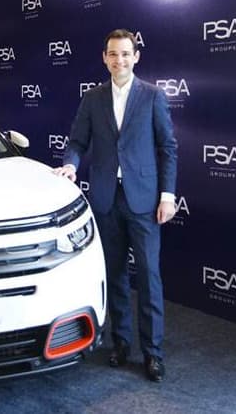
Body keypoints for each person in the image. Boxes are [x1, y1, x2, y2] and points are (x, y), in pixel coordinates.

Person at [54, 29, 177, 382]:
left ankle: (153, 353)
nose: (118, 60)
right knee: (115, 275)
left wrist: (167, 195)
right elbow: (77, 141)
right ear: (104, 57)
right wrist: (71, 165)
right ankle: (120, 343)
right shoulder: (92, 98)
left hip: (144, 201)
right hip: (106, 199)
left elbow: (167, 148)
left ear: (136, 57)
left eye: (125, 54)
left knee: (149, 277)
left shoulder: (153, 96)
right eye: (113, 54)